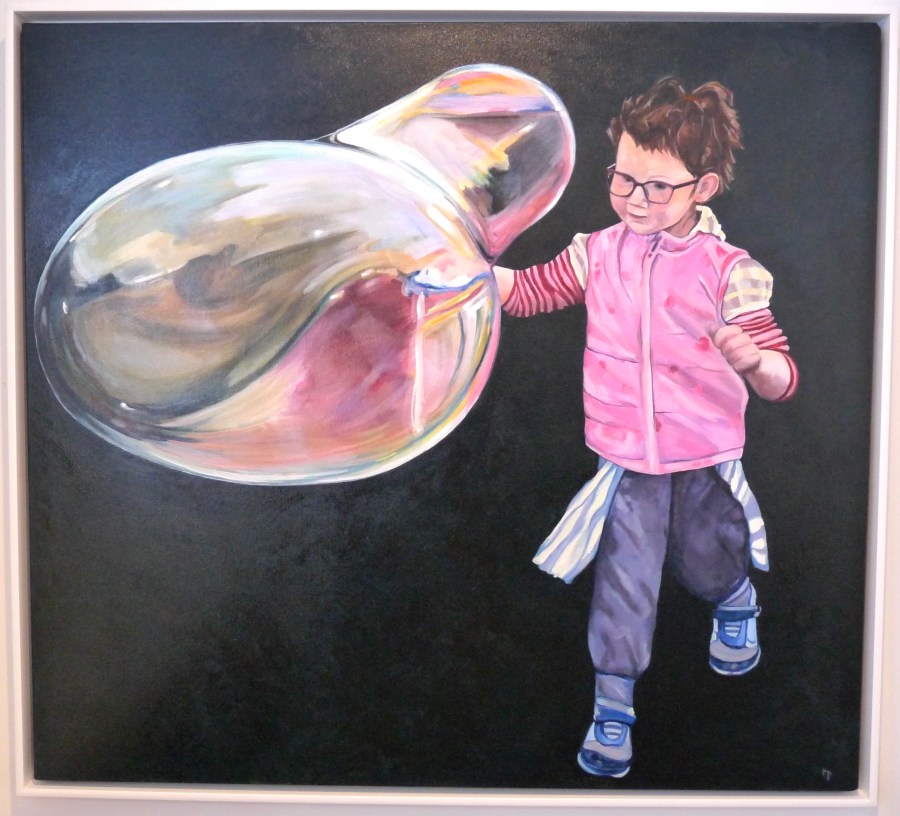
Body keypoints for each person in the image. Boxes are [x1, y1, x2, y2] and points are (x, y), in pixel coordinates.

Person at [492, 76, 798, 778]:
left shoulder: (730, 272)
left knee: (705, 557)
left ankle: (734, 598)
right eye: (622, 178)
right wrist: (473, 278)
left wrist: (755, 362)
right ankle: (613, 706)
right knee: (624, 580)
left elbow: (781, 376)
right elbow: (531, 291)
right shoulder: (597, 251)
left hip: (703, 457)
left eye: (657, 187)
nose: (634, 198)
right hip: (626, 461)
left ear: (704, 188)